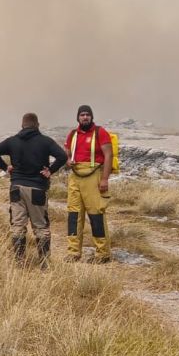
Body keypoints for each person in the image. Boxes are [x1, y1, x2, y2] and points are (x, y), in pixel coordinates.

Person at [0, 113, 67, 267]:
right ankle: (44, 264)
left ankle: (19, 262)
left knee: (17, 226)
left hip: (16, 188)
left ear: (22, 125)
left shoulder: (12, 141)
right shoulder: (46, 141)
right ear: (37, 124)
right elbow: (62, 156)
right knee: (41, 227)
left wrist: (5, 167)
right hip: (37, 188)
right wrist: (50, 170)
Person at [65, 105, 113, 263]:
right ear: (77, 117)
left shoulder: (100, 132)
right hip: (75, 176)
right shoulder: (73, 134)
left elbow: (108, 155)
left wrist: (105, 179)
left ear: (91, 117)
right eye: (82, 115)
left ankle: (102, 254)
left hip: (94, 176)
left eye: (87, 115)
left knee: (96, 215)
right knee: (74, 215)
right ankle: (73, 252)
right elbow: (66, 153)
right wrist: (68, 160)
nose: (85, 117)